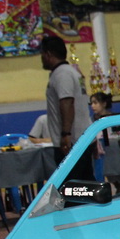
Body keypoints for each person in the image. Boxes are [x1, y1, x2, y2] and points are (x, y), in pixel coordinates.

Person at [39, 36, 92, 179]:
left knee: (72, 186)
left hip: (71, 142)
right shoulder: (72, 72)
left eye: (42, 54)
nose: (41, 58)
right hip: (82, 139)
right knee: (85, 183)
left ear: (48, 54)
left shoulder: (62, 74)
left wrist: (65, 134)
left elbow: (67, 103)